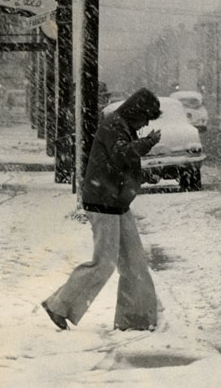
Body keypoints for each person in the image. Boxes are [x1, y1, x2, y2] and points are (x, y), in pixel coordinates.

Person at [41, 88, 162, 331]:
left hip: (116, 203)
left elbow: (120, 163)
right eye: (147, 117)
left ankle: (135, 319)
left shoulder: (122, 126)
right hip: (104, 202)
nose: (146, 123)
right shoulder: (114, 125)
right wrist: (147, 143)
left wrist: (145, 174)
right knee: (103, 264)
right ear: (137, 111)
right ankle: (59, 305)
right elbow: (120, 156)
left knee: (135, 264)